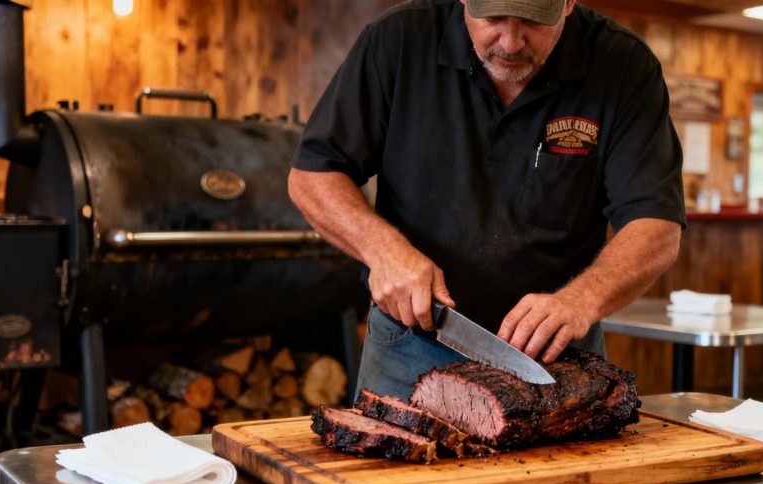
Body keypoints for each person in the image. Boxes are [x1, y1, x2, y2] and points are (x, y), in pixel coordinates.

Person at [288, 0, 685, 400]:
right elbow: (313, 175)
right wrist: (383, 250)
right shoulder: (398, 42)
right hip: (411, 343)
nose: (510, 43)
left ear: (567, 4)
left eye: (532, 20)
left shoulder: (624, 66)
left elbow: (656, 223)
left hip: (555, 357)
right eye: (492, 18)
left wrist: (582, 299)